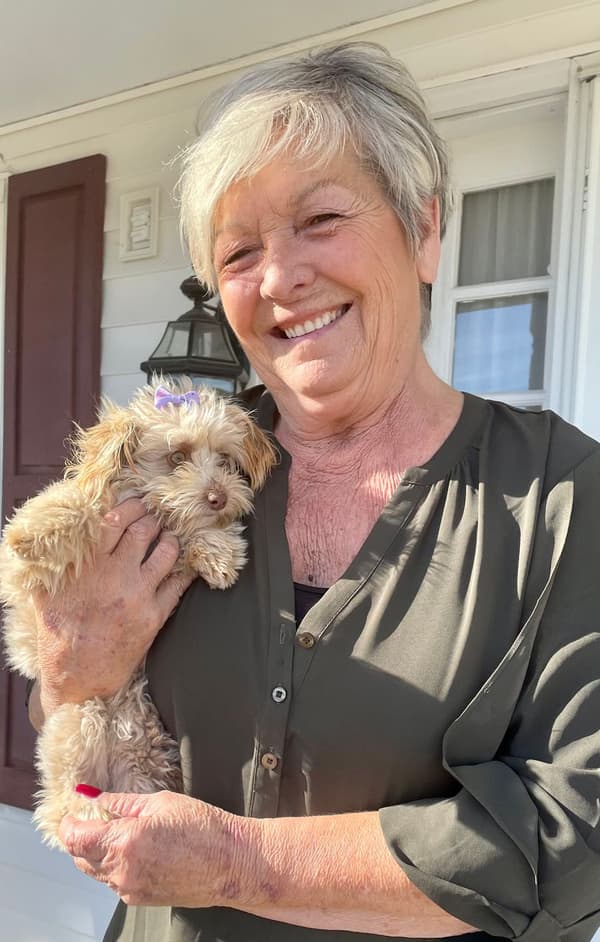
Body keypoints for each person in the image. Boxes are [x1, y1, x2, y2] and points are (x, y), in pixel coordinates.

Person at [28, 43, 600, 942]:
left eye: (321, 217)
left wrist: (240, 863)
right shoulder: (177, 472)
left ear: (424, 230)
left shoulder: (564, 500)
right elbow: (66, 697)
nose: (280, 278)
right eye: (239, 251)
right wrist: (68, 674)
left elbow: (576, 835)